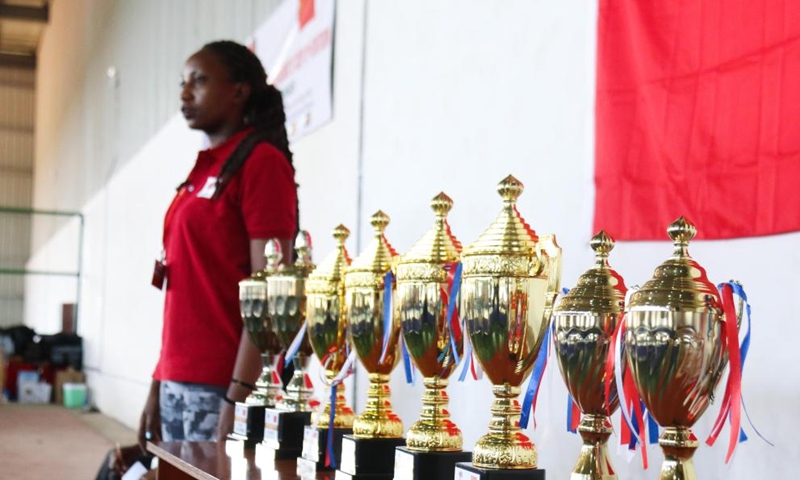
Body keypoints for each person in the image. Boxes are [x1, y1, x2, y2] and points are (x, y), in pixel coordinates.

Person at [138, 40, 298, 451]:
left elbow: (270, 290)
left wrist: (240, 393)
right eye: (182, 83)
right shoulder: (202, 171)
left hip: (222, 382)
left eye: (200, 81)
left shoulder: (260, 163)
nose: (185, 93)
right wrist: (159, 380)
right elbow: (180, 289)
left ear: (239, 91)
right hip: (177, 378)